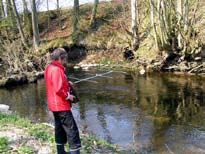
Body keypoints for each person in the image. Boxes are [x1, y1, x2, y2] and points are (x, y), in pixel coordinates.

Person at [44, 48, 81, 154]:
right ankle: (74, 152)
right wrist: (69, 97)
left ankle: (60, 152)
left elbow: (53, 83)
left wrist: (66, 82)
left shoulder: (49, 67)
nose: (66, 61)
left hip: (53, 105)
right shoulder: (57, 70)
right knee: (71, 130)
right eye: (65, 59)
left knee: (59, 129)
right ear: (60, 58)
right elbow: (59, 89)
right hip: (61, 105)